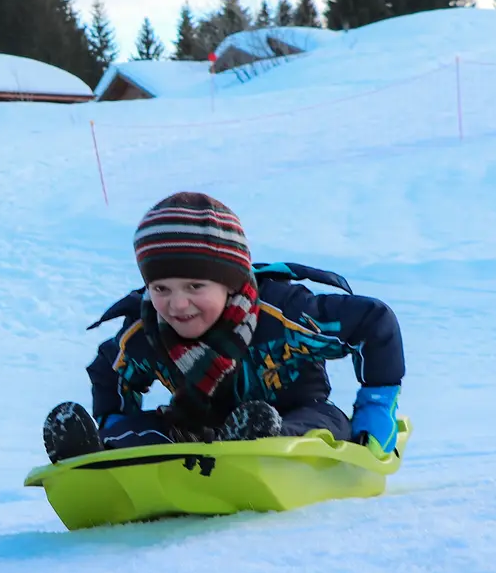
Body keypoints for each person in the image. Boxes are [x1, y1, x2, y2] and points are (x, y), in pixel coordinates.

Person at [43, 193, 405, 462]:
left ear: (229, 283)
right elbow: (110, 370)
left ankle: (265, 441)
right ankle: (99, 453)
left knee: (325, 423)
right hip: (197, 428)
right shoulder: (146, 331)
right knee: (150, 430)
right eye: (160, 289)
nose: (176, 304)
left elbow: (373, 323)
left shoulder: (284, 313)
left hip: (296, 412)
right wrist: (113, 420)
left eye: (194, 287)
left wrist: (377, 407)